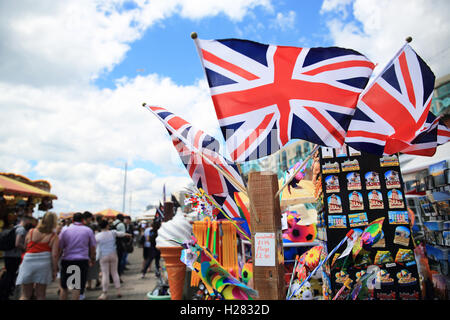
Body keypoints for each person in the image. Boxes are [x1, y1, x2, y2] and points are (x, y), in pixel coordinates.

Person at [15, 212, 59, 300]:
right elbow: (54, 255)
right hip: (44, 264)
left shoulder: (31, 232)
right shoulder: (54, 236)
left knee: (25, 295)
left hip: (28, 262)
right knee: (41, 295)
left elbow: (26, 246)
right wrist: (55, 270)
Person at [58, 212, 96, 300]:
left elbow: (60, 247)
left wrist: (56, 261)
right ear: (83, 220)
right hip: (81, 260)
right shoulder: (88, 230)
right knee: (76, 286)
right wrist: (92, 258)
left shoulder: (65, 231)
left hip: (67, 260)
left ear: (72, 220)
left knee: (64, 287)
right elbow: (92, 247)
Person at [95, 219, 132, 300]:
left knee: (105, 274)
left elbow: (93, 244)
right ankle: (118, 291)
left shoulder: (97, 236)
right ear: (107, 225)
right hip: (113, 255)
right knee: (115, 273)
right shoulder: (112, 232)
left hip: (103, 256)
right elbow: (122, 234)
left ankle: (104, 293)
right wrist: (128, 234)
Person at [0, 215, 33, 300]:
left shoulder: (14, 227)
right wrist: (25, 248)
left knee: (8, 273)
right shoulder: (21, 229)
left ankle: (5, 291)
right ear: (25, 221)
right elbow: (17, 243)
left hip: (8, 254)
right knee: (11, 275)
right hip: (14, 256)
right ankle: (5, 292)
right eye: (29, 221)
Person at [83, 212, 101, 293]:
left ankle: (87, 285)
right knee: (90, 268)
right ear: (88, 218)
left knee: (87, 268)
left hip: (82, 251)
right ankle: (89, 284)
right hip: (88, 250)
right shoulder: (90, 227)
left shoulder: (88, 226)